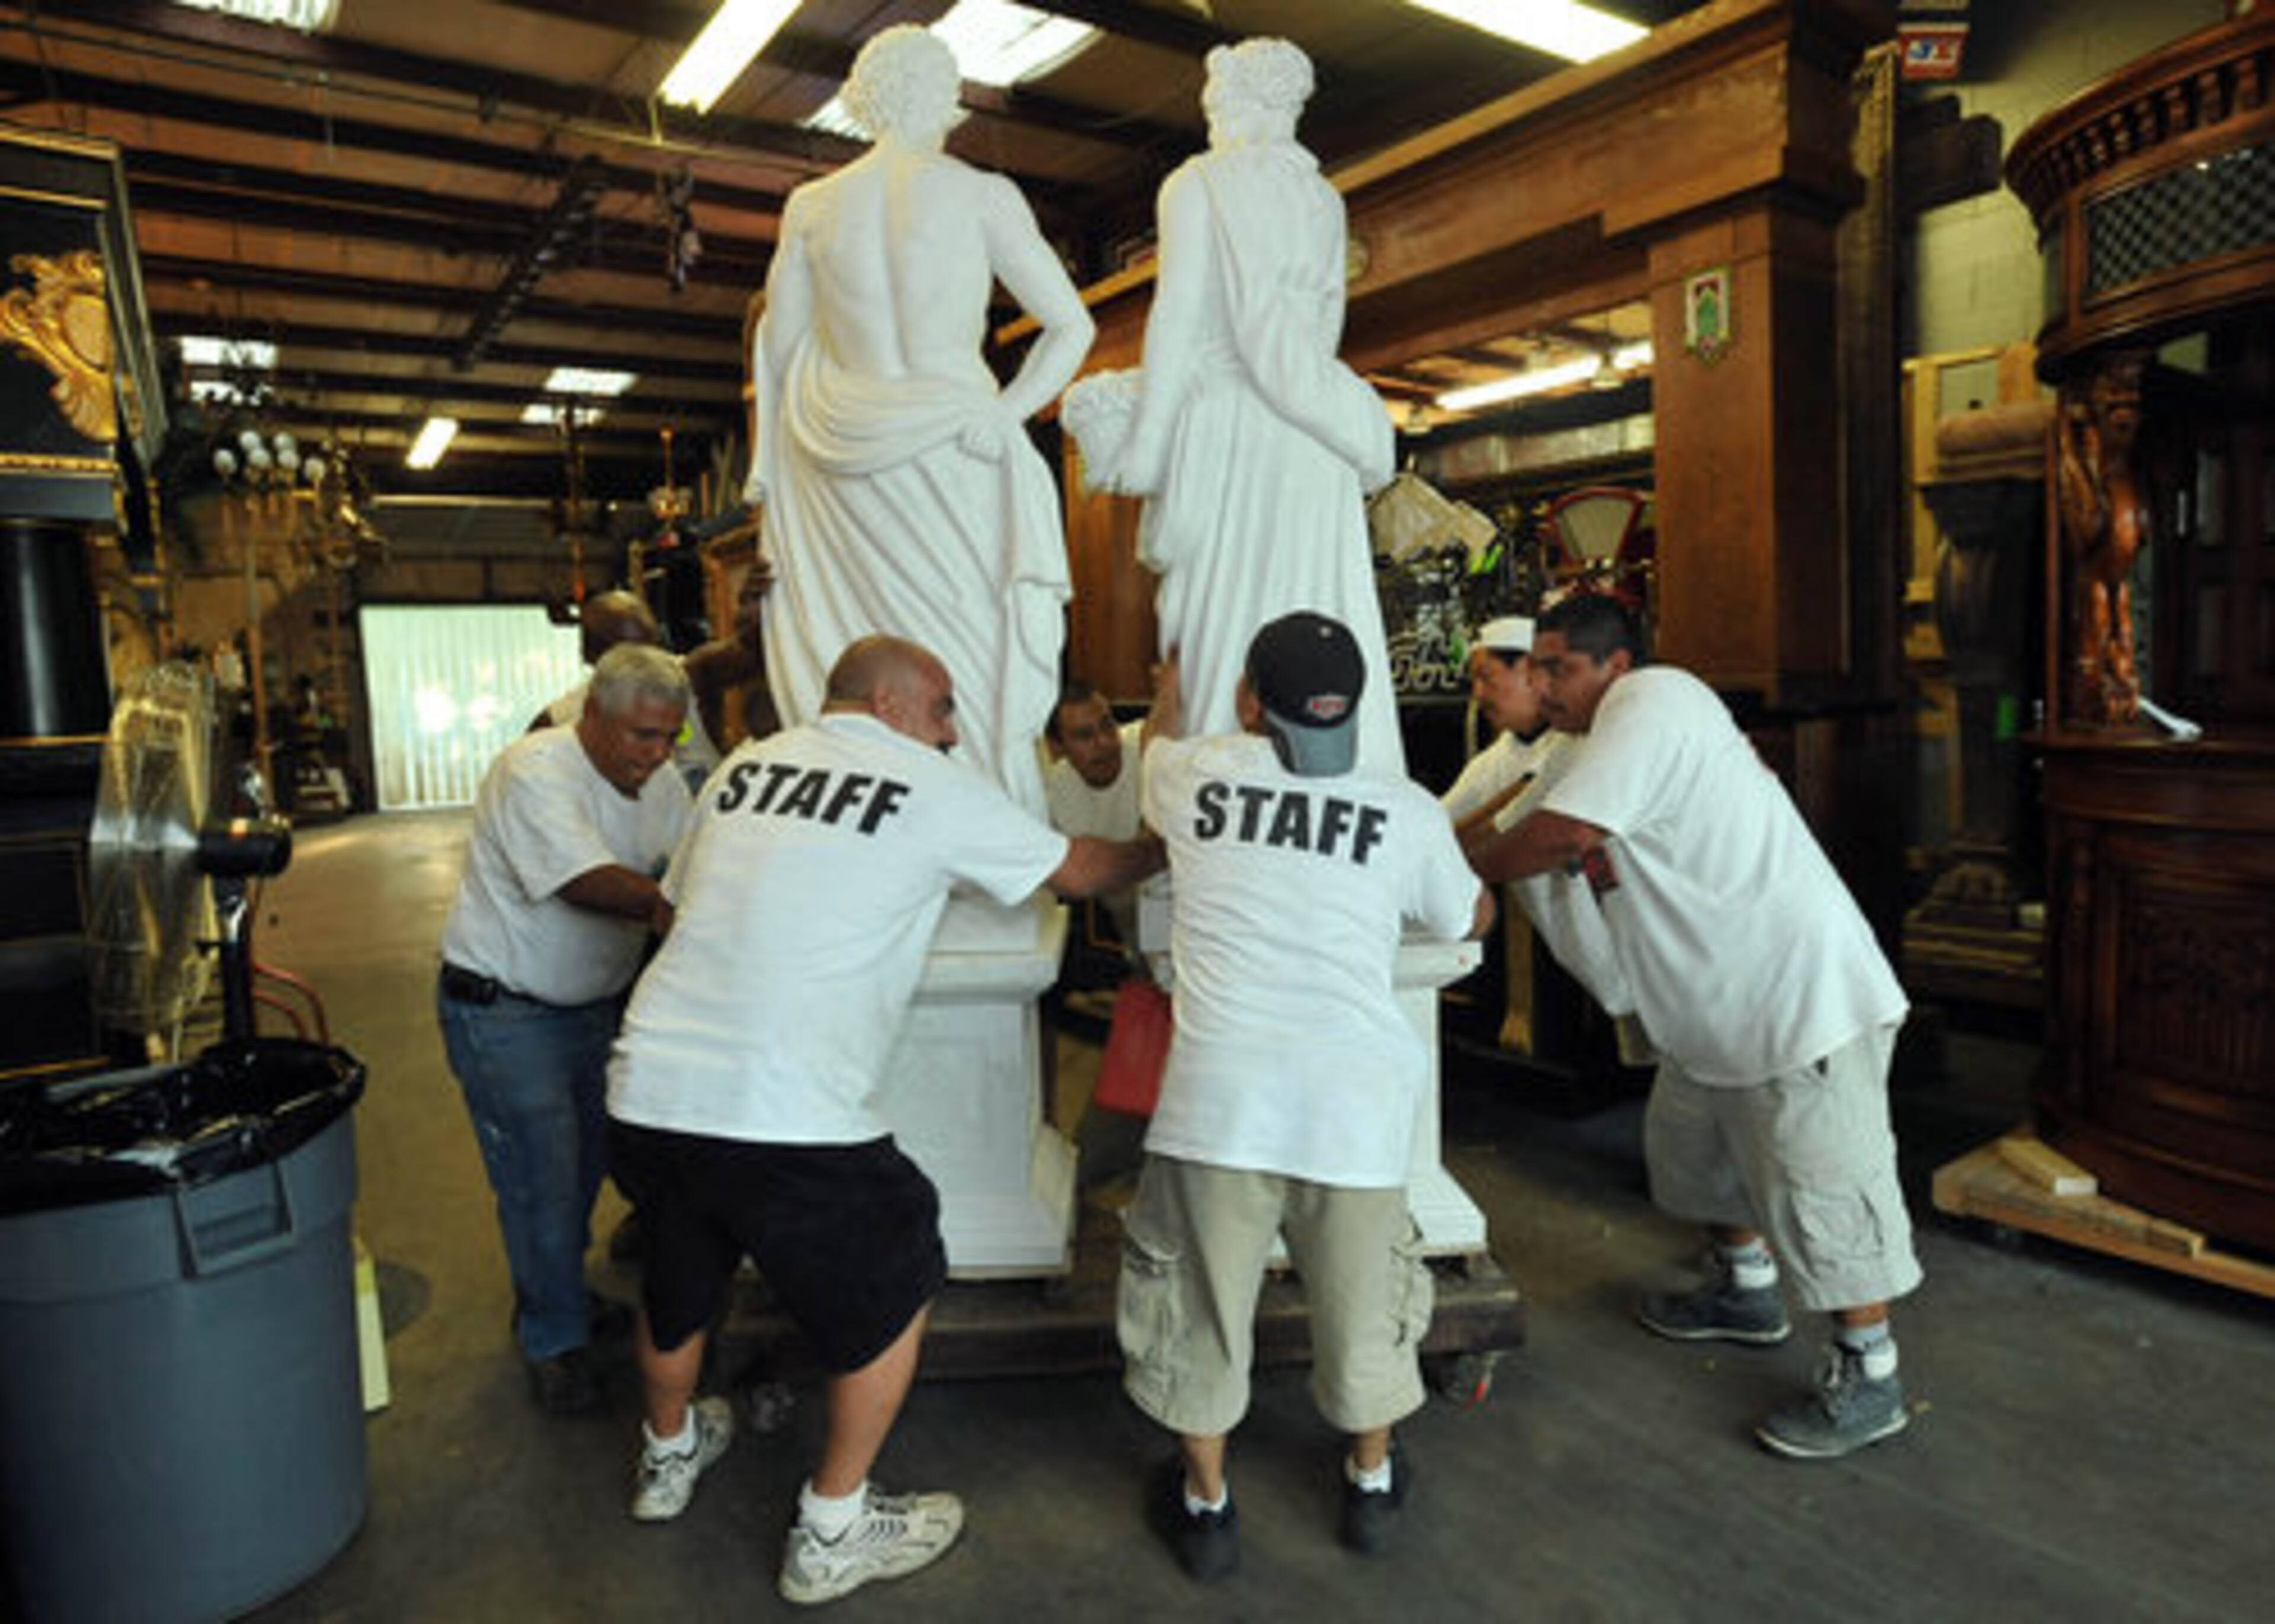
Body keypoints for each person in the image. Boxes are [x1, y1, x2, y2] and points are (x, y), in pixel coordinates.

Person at [604, 636, 1163, 1605]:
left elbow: (681, 905)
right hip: (786, 1106)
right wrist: (1175, 841)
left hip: (650, 1081)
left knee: (680, 1267)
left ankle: (667, 1455)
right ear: (896, 705)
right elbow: (1075, 869)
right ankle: (834, 1523)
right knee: (902, 1255)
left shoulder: (745, 766)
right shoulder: (920, 778)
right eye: (945, 709)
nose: (953, 733)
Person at [1470, 594, 1920, 1460]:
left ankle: (1871, 1374)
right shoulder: (1580, 744)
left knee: (1824, 1185)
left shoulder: (1659, 700)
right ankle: (1744, 1288)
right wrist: (1424, 855)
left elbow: (1558, 835)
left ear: (1616, 668)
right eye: (1535, 666)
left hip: (1798, 998)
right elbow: (1503, 811)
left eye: (1558, 666)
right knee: (1696, 1153)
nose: (1539, 683)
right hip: (1711, 1008)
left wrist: (1454, 878)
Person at [1118, 612, 1492, 1581]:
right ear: (1354, 708)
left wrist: (1167, 684)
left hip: (1219, 1105)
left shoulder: (1194, 771)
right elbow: (1466, 913)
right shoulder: (1403, 807)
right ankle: (1370, 1484)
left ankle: (1208, 1507)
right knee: (1364, 1306)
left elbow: (1151, 750)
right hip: (1355, 1110)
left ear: (1251, 702)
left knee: (1201, 1303)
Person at [745, 24, 1094, 816]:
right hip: (955, 448)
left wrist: (768, 470)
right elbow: (1070, 326)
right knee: (972, 653)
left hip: (843, 450)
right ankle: (978, 823)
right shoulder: (980, 195)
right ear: (946, 95)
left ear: (865, 104)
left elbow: (780, 346)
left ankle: (875, 822)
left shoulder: (812, 207)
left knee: (860, 647)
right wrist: (1006, 413)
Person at [1076, 38, 1402, 775]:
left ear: (1246, 103)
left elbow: (1179, 318)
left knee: (1222, 620)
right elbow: (1324, 331)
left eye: (1217, 105)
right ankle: (1336, 794)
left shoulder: (1198, 182)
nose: (1213, 119)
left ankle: (1227, 806)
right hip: (1312, 439)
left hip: (1229, 426)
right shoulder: (1323, 200)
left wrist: (1147, 448)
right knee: (1317, 604)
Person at [437, 643, 694, 1414]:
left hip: (595, 1007)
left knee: (584, 1173)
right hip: (507, 1011)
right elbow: (587, 881)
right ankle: (553, 1336)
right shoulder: (535, 769)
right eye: (641, 736)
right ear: (594, 715)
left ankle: (557, 1294)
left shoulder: (665, 782)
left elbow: (693, 857)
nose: (655, 755)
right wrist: (677, 908)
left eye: (670, 737)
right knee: (541, 1180)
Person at [1042, 678, 1146, 958]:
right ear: (1057, 747)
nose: (1104, 743)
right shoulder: (1049, 795)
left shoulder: (1150, 747)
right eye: (1085, 736)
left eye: (1107, 725)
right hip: (1125, 940)